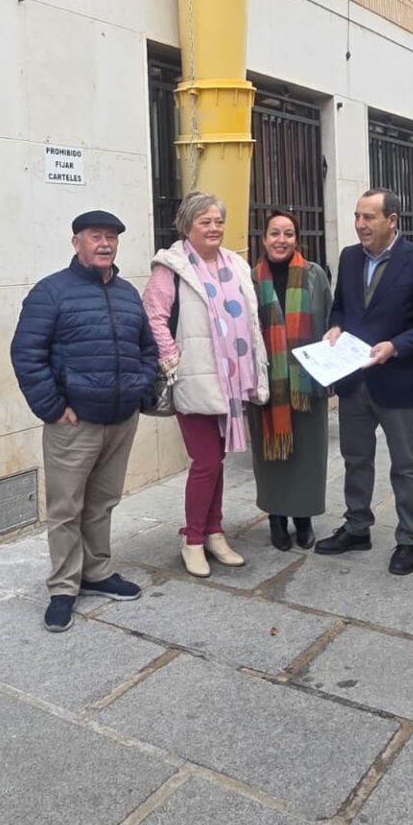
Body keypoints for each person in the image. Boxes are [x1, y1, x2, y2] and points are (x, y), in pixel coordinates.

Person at [10, 210, 157, 633]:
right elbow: (26, 355)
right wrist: (54, 408)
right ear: (77, 242)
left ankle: (96, 571)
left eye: (112, 237)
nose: (105, 243)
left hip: (121, 419)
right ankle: (62, 587)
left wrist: (140, 389)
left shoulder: (127, 293)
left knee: (102, 502)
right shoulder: (50, 292)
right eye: (96, 236)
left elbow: (147, 348)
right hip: (74, 424)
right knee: (66, 507)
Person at [315, 189, 413, 576]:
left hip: (397, 380)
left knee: (406, 465)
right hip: (353, 381)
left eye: (369, 217)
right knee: (355, 458)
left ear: (392, 220)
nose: (360, 224)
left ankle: (409, 538)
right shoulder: (349, 257)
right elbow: (341, 307)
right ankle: (357, 527)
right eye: (357, 216)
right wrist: (335, 327)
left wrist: (397, 346)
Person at [144, 192, 269, 578]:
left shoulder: (236, 264)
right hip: (194, 380)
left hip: (231, 382)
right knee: (206, 462)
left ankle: (214, 532)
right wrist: (173, 359)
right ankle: (193, 538)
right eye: (205, 222)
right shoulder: (172, 268)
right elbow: (153, 315)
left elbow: (249, 320)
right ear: (187, 226)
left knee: (216, 462)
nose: (214, 228)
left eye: (218, 221)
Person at [248, 209, 333, 552]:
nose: (281, 240)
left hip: (306, 384)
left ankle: (304, 517)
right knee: (271, 458)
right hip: (268, 385)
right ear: (264, 239)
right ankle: (276, 516)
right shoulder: (250, 279)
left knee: (308, 455)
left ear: (297, 239)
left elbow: (330, 322)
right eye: (274, 233)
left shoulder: (314, 275)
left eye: (288, 234)